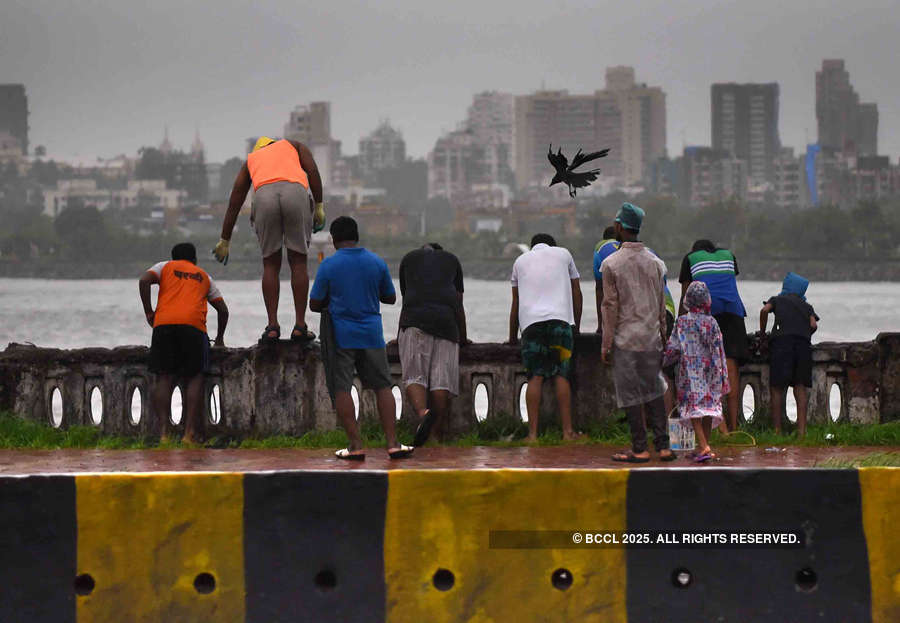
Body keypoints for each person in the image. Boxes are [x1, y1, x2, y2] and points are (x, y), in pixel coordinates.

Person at [308, 216, 412, 460]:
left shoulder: (329, 266)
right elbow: (390, 297)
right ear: (357, 236)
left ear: (333, 239)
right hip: (372, 333)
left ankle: (355, 445)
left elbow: (314, 303)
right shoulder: (376, 262)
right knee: (382, 386)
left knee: (342, 387)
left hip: (341, 334)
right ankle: (393, 443)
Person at [214, 136, 325, 344]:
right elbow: (313, 171)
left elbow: (235, 202)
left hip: (264, 195)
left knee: (270, 264)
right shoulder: (294, 145)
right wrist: (318, 204)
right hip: (295, 192)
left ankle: (272, 326)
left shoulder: (252, 159)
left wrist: (225, 240)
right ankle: (300, 326)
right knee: (298, 261)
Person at [601, 204, 675, 462]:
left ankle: (640, 447)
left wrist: (606, 344)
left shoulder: (611, 264)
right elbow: (659, 305)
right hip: (651, 338)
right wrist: (664, 337)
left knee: (631, 394)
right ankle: (663, 446)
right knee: (654, 390)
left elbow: (610, 307)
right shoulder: (656, 263)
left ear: (620, 227)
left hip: (626, 339)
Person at [138, 243, 229, 444]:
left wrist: (149, 312)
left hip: (164, 325)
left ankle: (164, 433)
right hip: (194, 328)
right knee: (195, 377)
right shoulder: (204, 276)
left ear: (173, 257)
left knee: (164, 377)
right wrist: (220, 338)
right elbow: (223, 311)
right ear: (194, 259)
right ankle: (189, 434)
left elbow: (144, 281)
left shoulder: (165, 267)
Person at [593, 221, 678, 413]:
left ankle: (641, 428)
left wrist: (604, 331)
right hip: (664, 310)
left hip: (633, 318)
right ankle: (667, 423)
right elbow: (661, 286)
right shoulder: (650, 254)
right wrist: (664, 332)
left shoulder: (603, 253)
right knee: (661, 372)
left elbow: (605, 298)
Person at [508, 233, 583, 442]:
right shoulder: (564, 254)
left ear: (532, 247)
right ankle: (567, 432)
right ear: (553, 246)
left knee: (535, 377)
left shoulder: (519, 261)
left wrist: (512, 337)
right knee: (561, 375)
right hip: (560, 322)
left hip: (531, 325)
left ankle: (532, 434)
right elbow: (576, 290)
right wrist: (575, 324)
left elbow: (515, 303)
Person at [395, 243, 468, 446]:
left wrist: (400, 332)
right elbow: (458, 303)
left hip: (415, 321)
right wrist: (462, 336)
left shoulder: (409, 259)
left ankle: (423, 413)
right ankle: (435, 435)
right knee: (441, 380)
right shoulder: (452, 259)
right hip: (446, 324)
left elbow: (407, 300)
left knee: (414, 375)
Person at [679, 239, 748, 431]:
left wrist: (679, 326)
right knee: (731, 369)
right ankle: (734, 428)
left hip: (708, 313)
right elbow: (729, 285)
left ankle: (722, 429)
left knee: (710, 369)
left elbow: (686, 298)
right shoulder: (728, 256)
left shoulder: (690, 258)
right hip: (734, 313)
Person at [663, 282, 729, 462]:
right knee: (707, 408)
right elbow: (719, 349)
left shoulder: (683, 321)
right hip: (710, 371)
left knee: (693, 408)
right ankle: (702, 445)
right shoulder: (712, 322)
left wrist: (664, 361)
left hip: (690, 373)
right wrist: (722, 375)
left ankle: (704, 446)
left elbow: (674, 347)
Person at [759, 272, 819, 437]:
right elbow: (813, 325)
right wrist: (804, 335)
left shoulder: (777, 300)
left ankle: (777, 431)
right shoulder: (806, 306)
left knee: (777, 388)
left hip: (781, 345)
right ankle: (801, 432)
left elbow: (764, 310)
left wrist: (763, 333)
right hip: (802, 346)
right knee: (800, 387)